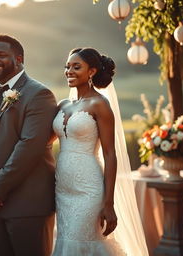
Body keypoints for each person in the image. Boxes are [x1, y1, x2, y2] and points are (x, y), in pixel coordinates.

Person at [0, 34, 57, 256]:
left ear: (19, 59)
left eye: (1, 55)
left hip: (28, 206)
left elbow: (29, 148)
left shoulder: (39, 95)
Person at [52, 48, 149, 255]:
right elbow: (43, 140)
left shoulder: (100, 105)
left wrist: (109, 203)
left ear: (92, 71)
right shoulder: (63, 105)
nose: (69, 71)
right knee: (65, 240)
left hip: (89, 189)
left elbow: (110, 154)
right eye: (67, 67)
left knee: (84, 243)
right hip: (62, 189)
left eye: (76, 67)